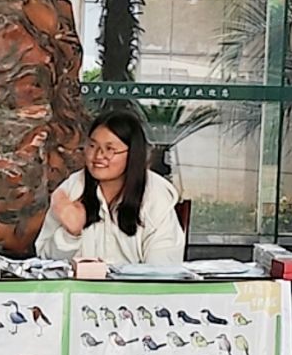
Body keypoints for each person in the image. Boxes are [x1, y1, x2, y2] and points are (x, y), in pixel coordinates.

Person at [35, 113, 185, 264]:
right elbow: (45, 261)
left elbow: (163, 268)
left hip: (138, 280)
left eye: (110, 149)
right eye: (92, 146)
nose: (99, 156)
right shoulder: (71, 190)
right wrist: (70, 235)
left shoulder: (155, 195)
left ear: (132, 154)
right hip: (80, 280)